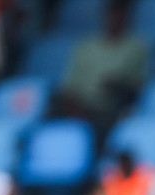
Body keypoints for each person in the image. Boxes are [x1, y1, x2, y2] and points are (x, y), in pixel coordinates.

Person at [54, 0, 147, 132]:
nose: (116, 18)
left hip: (110, 110)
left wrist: (119, 84)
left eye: (121, 14)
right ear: (105, 15)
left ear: (128, 16)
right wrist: (75, 108)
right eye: (113, 13)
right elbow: (69, 87)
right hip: (79, 107)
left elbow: (139, 86)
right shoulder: (86, 45)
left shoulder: (137, 47)